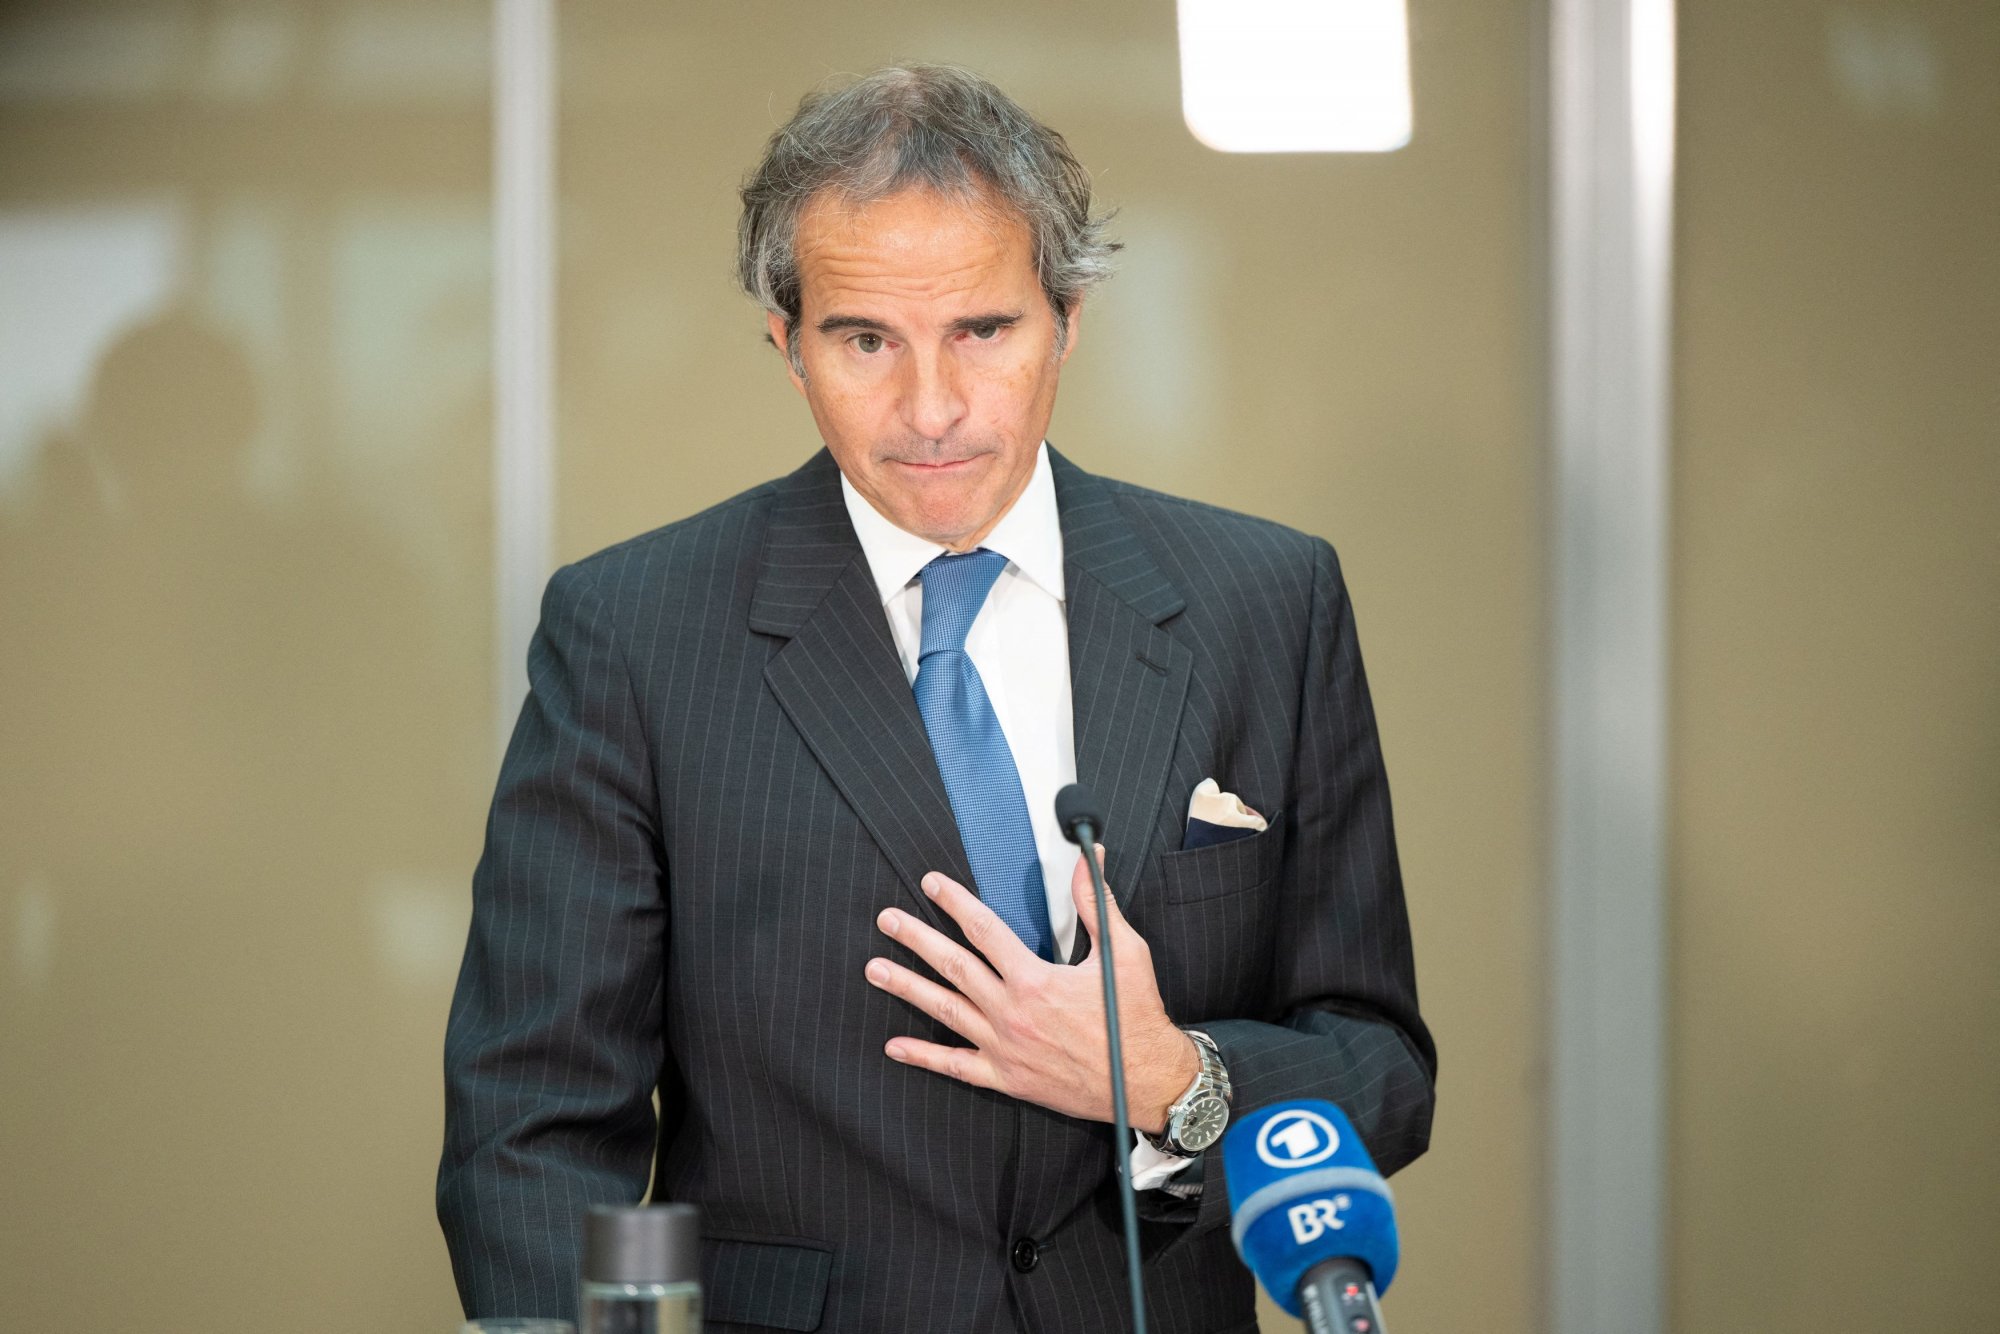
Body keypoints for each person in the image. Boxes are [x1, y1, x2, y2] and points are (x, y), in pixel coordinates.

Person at [439, 63, 1434, 1334]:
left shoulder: (1266, 602)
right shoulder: (633, 631)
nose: (931, 408)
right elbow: (533, 1121)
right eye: (865, 340)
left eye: (982, 330)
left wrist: (1170, 1076)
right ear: (787, 346)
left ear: (1066, 320)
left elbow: (1379, 1063)